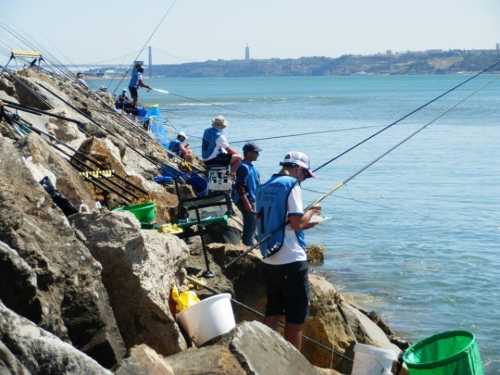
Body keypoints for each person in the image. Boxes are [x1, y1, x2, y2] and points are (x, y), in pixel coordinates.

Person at [255, 151, 322, 351]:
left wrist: (301, 224)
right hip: (291, 259)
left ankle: (265, 355)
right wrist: (313, 210)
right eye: (305, 175)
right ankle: (292, 366)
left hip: (269, 258)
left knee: (273, 310)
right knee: (296, 316)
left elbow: (283, 222)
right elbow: (296, 222)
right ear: (299, 169)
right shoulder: (292, 184)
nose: (303, 180)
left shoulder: (264, 185)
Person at [234, 142, 263, 246]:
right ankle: (248, 247)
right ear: (249, 154)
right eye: (256, 152)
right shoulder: (243, 167)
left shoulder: (252, 166)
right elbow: (240, 186)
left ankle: (251, 243)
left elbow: (259, 180)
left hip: (254, 199)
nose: (258, 155)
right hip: (247, 200)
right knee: (249, 226)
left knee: (254, 225)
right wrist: (247, 204)